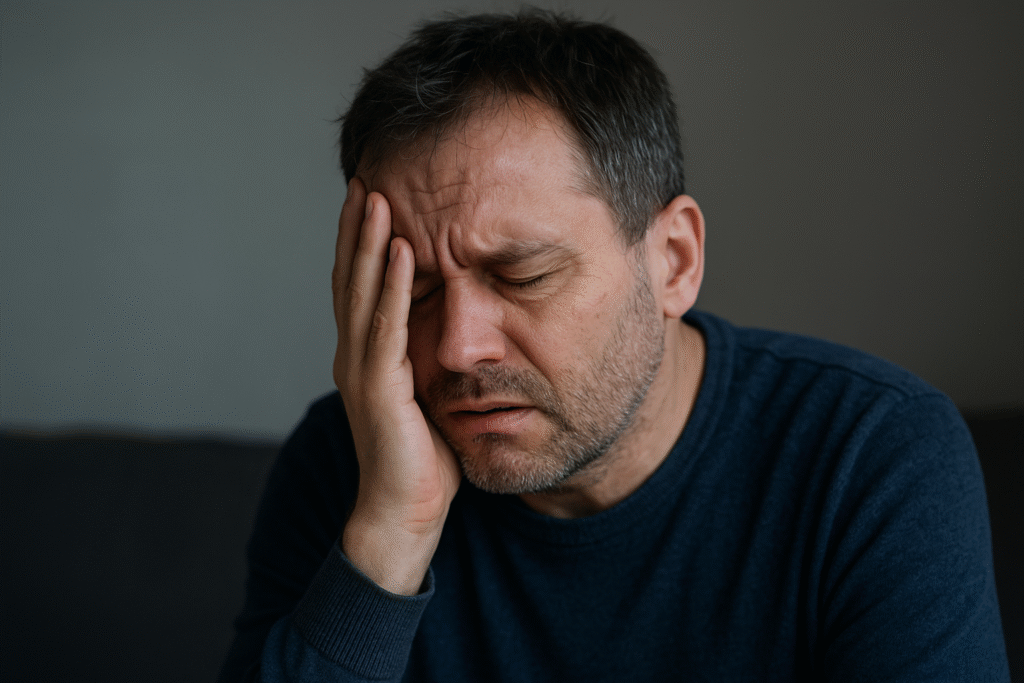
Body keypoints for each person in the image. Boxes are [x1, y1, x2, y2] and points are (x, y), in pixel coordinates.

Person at [219, 10, 1009, 682]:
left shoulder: (873, 456)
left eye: (522, 274)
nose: (457, 349)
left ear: (674, 262)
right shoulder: (347, 468)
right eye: (417, 291)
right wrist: (391, 532)